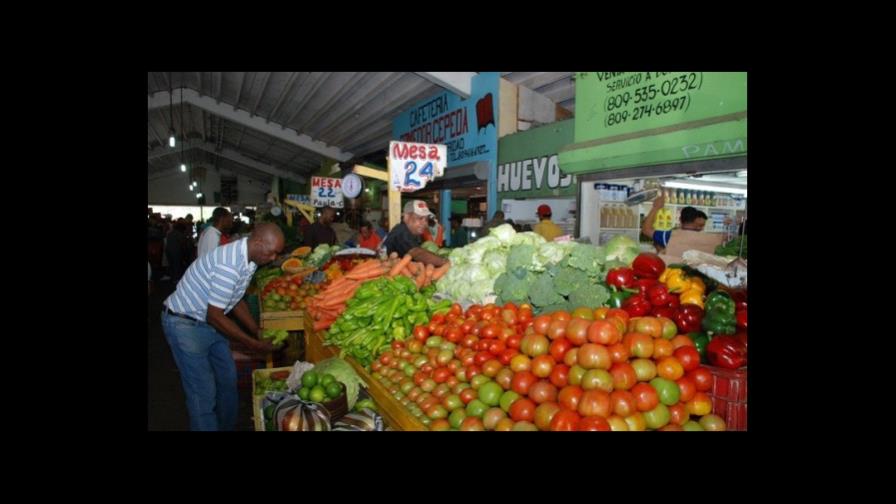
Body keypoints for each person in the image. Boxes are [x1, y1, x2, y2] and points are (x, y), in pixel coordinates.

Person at [161, 223, 283, 431]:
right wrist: (254, 344)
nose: (273, 259)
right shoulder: (230, 264)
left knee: (227, 380)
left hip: (208, 323)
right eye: (272, 253)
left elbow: (235, 300)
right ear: (258, 242)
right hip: (184, 324)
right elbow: (215, 315)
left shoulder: (250, 259)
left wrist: (256, 331)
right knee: (203, 394)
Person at [641, 195, 726, 260]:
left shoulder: (669, 236)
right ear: (696, 220)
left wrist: (656, 207)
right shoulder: (711, 238)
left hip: (674, 277)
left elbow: (646, 229)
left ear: (680, 220)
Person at [382, 200, 449, 266]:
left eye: (426, 219)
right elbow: (417, 253)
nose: (425, 223)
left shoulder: (413, 233)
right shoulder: (401, 231)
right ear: (407, 217)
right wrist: (446, 262)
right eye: (420, 218)